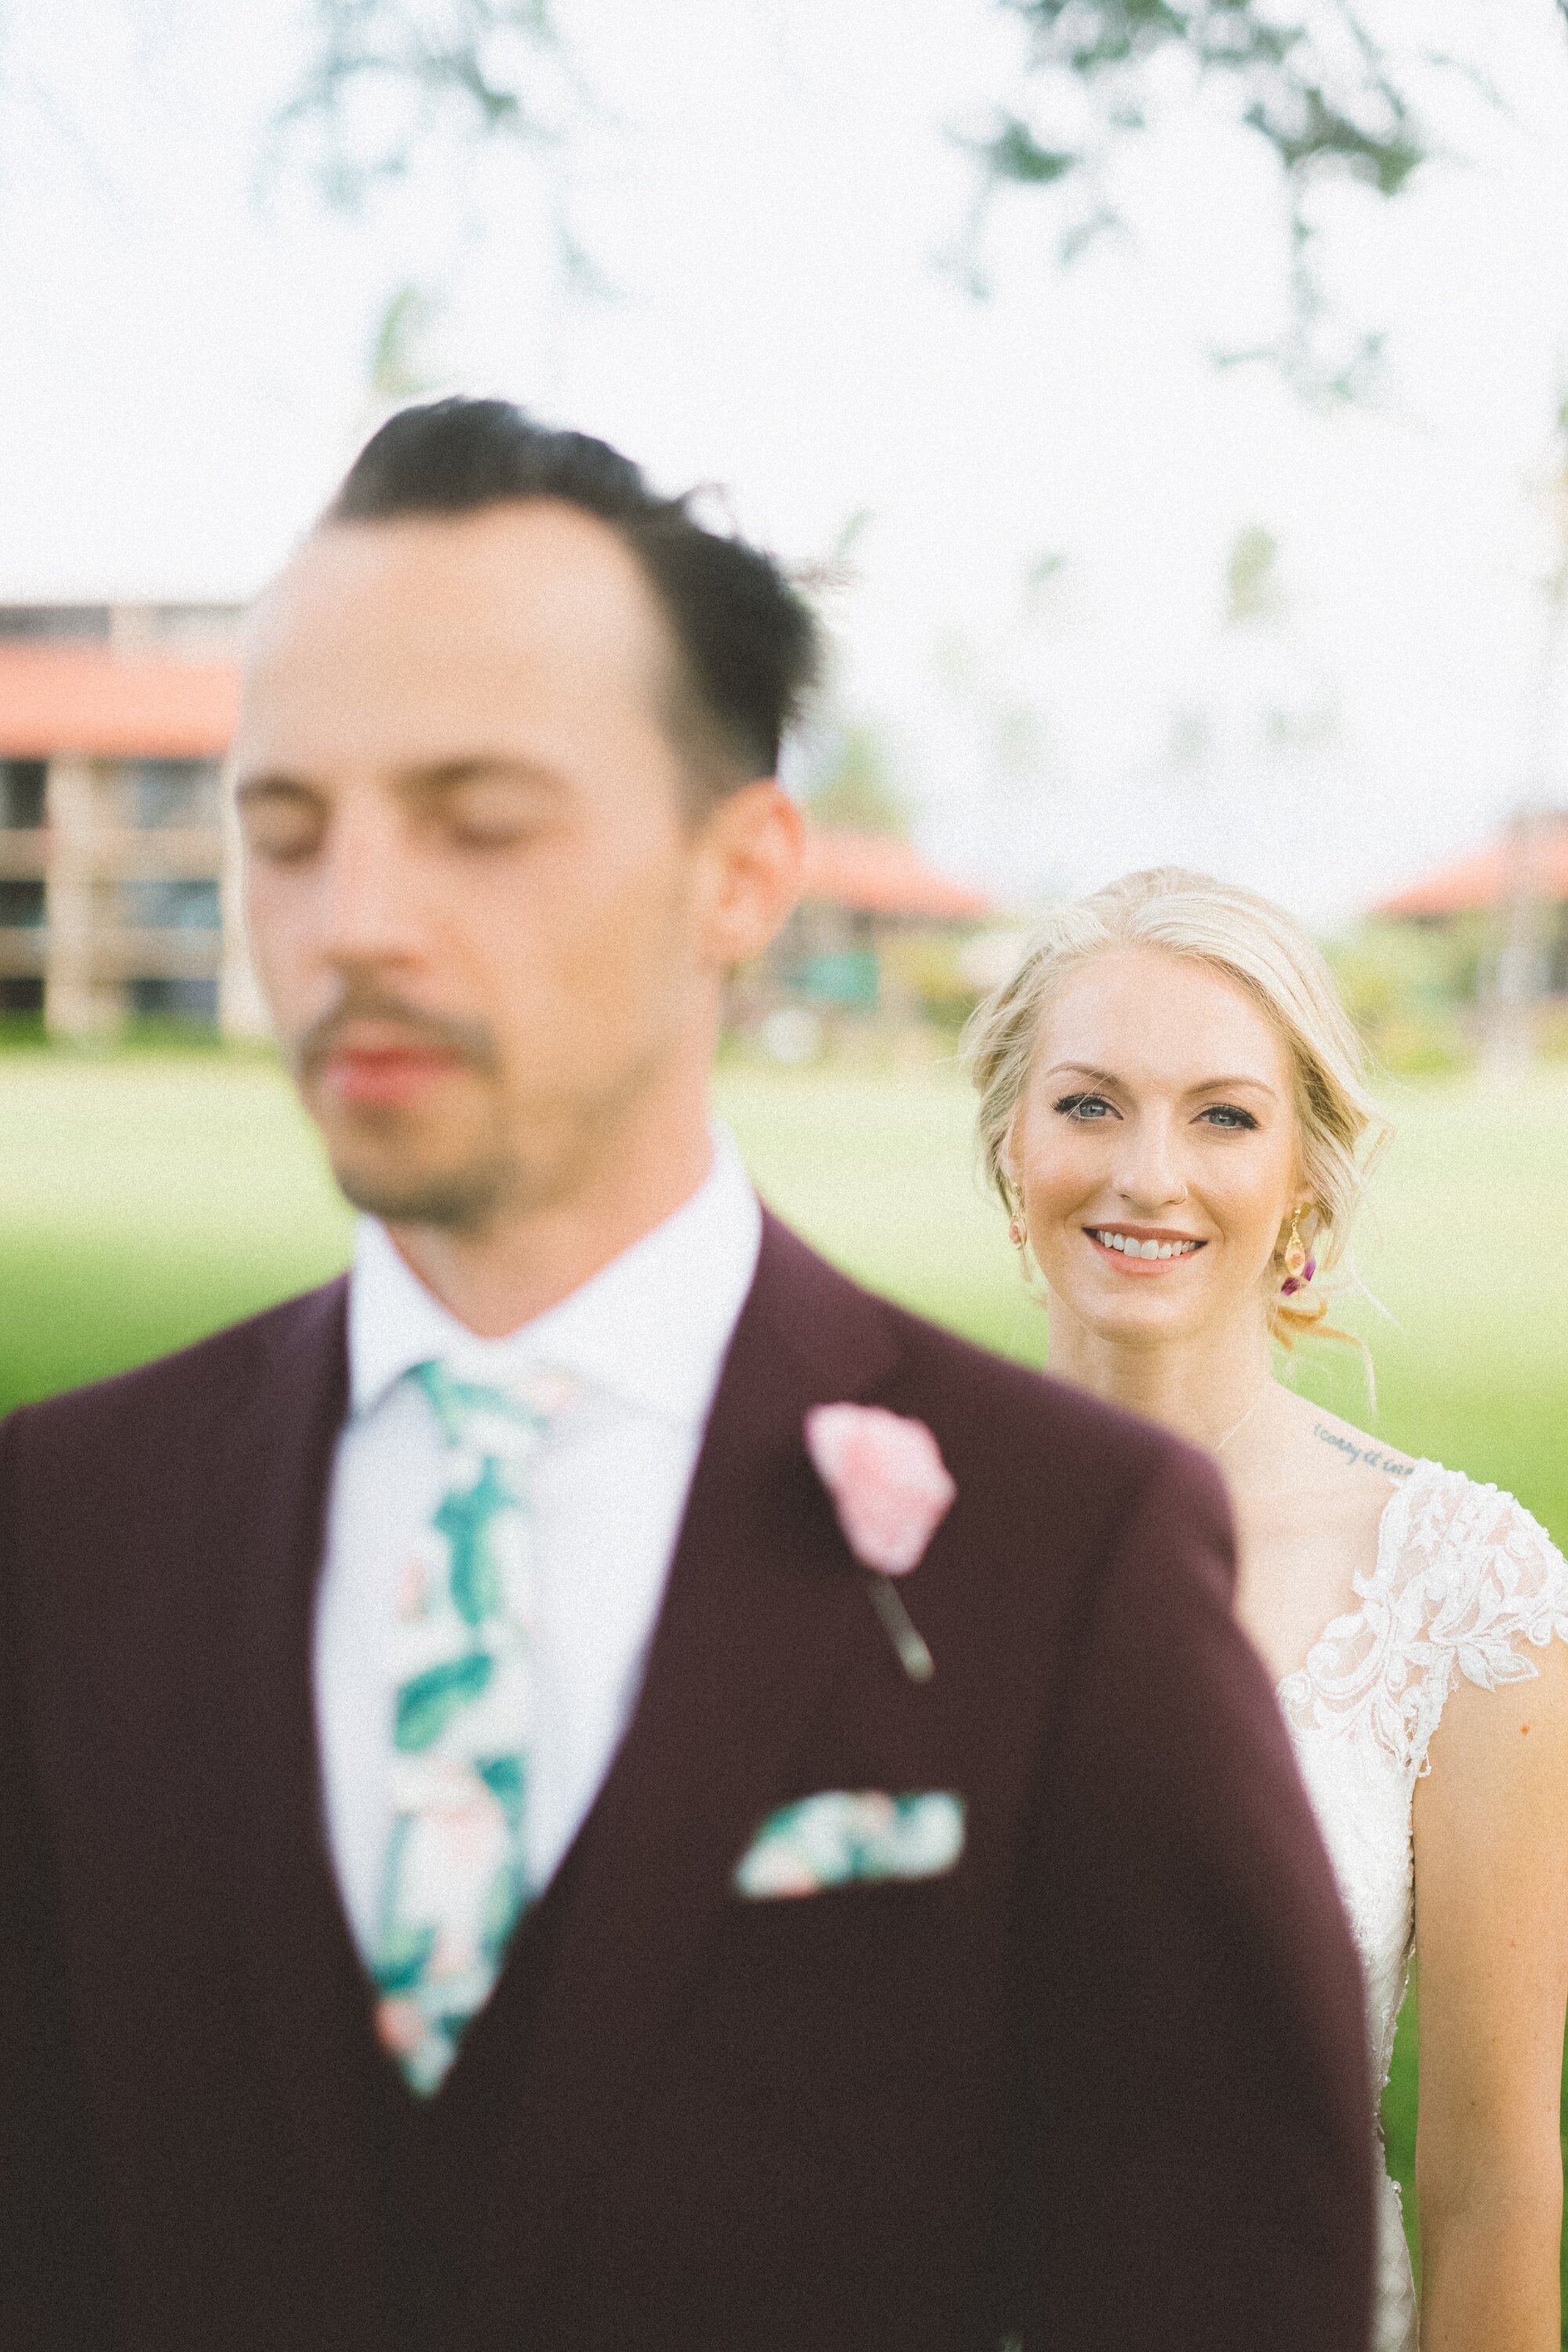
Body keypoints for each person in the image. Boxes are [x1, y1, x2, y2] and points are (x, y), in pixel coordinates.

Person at [0, 404, 1372, 2352]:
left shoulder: (1067, 1556)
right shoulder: (59, 1528)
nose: (353, 922)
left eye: (480, 819)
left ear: (741, 874)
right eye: (287, 828)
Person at [964, 864, 1568, 2352]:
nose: (1147, 1175)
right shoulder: (868, 1536)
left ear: (1301, 1171)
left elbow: (1492, 2187)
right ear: (1009, 1144)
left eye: (1223, 1114)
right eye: (1089, 1103)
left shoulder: (1458, 1588)